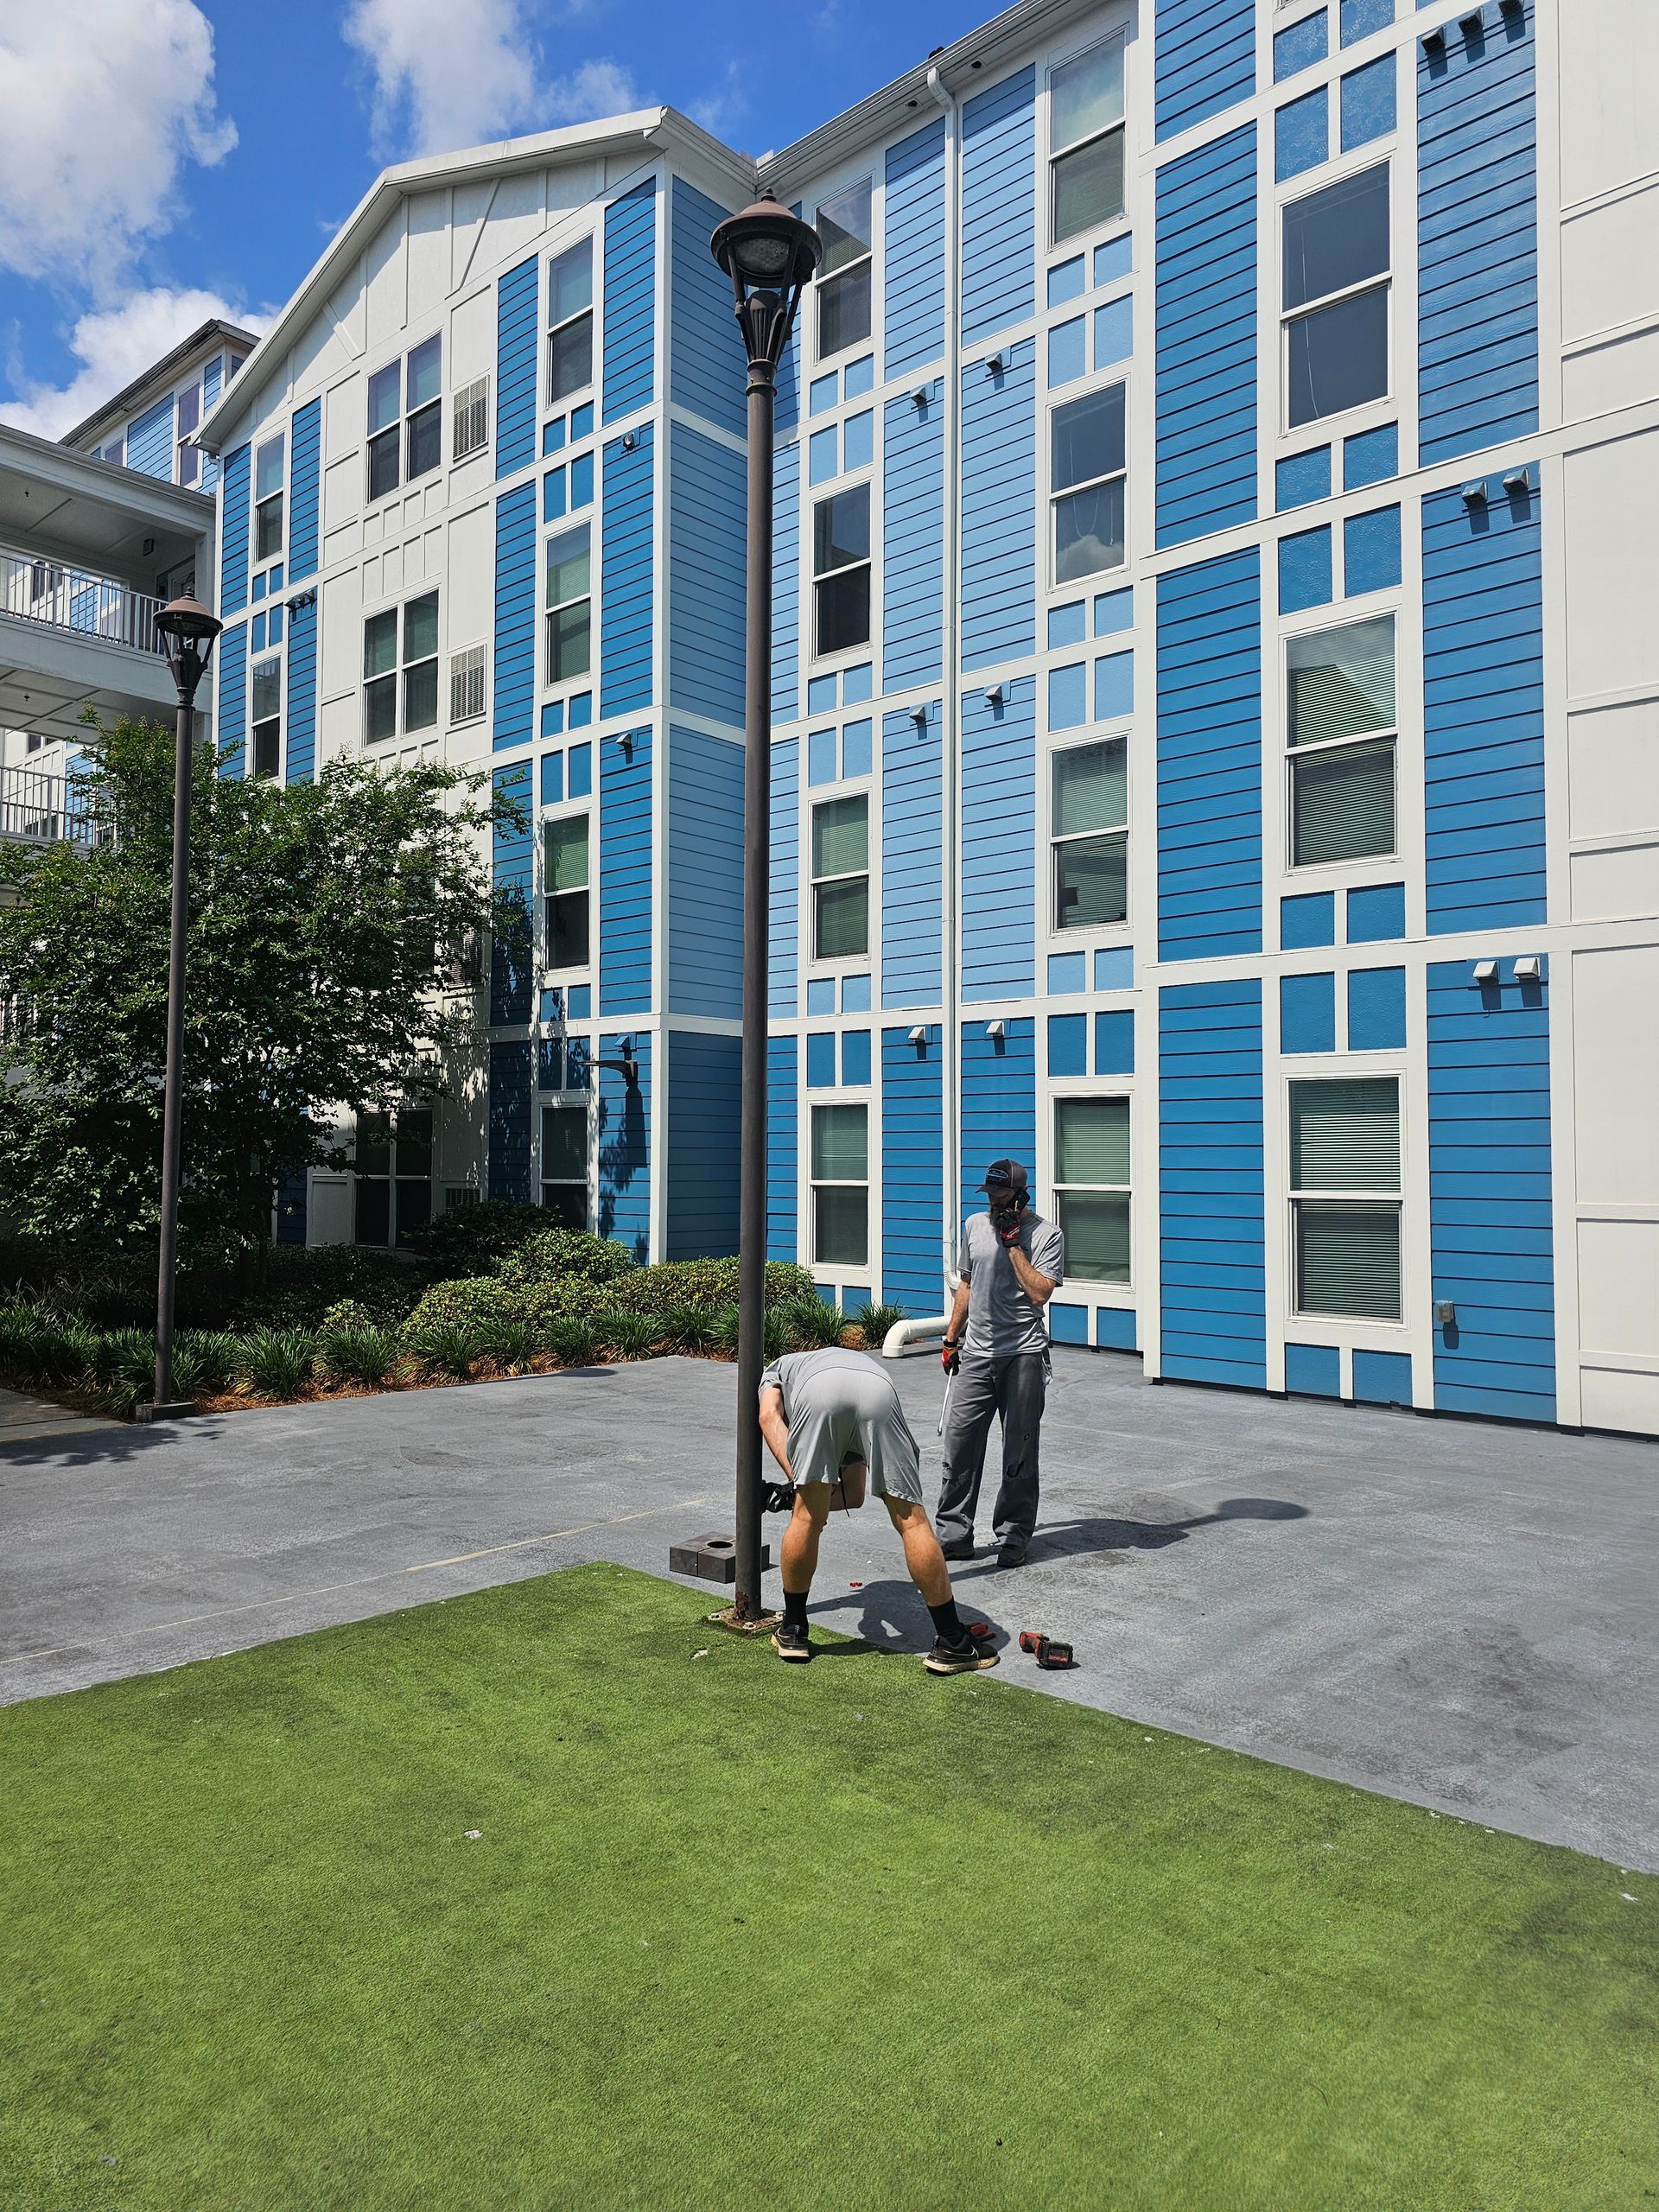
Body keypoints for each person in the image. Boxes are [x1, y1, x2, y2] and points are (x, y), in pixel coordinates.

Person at [758, 1344, 997, 1674]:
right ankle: (952, 1642)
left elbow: (768, 1416)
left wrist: (797, 1486)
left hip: (818, 1394)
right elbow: (853, 1495)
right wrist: (796, 1490)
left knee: (807, 1518)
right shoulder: (831, 1359)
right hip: (876, 1390)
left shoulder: (776, 1370)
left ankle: (794, 1630)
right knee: (912, 1523)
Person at [935, 1158, 1065, 1569]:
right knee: (959, 1445)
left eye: (1001, 1196)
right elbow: (967, 1285)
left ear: (1021, 1195)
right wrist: (951, 1338)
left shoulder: (1046, 1235)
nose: (993, 1203)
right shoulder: (974, 1225)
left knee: (1019, 1450)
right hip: (975, 1353)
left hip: (1023, 1355)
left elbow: (1040, 1292)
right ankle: (954, 1535)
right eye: (988, 1195)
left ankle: (1013, 1535)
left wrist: (1013, 1247)